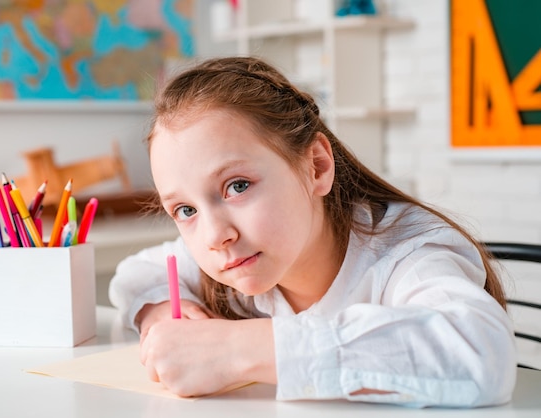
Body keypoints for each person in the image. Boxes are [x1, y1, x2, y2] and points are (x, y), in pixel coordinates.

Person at [108, 56, 517, 407]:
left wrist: (236, 348)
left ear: (316, 166)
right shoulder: (242, 256)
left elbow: (482, 353)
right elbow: (137, 275)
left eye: (237, 186)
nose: (215, 236)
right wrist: (163, 315)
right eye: (185, 209)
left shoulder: (405, 253)